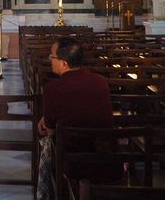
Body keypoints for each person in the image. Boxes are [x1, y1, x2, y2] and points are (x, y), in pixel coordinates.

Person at [38, 37, 122, 182]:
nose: (50, 58)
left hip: (72, 162)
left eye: (52, 56)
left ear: (64, 63)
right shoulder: (100, 81)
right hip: (105, 155)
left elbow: (51, 132)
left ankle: (52, 190)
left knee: (46, 140)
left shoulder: (51, 89)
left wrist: (46, 122)